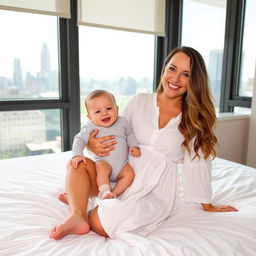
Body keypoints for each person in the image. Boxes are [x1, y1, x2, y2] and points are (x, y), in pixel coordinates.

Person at [49, 46, 238, 240]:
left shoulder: (193, 118)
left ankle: (81, 200)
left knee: (99, 223)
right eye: (172, 69)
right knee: (76, 164)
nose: (175, 78)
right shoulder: (139, 101)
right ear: (164, 69)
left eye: (186, 74)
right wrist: (90, 145)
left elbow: (198, 161)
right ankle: (76, 215)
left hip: (154, 190)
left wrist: (207, 204)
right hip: (119, 173)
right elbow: (111, 127)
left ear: (194, 80)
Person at [70, 90, 140, 199]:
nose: (104, 113)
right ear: (90, 117)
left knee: (130, 174)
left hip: (122, 165)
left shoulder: (122, 122)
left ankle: (114, 193)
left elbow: (130, 134)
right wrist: (77, 154)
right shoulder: (90, 126)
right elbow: (79, 139)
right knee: (101, 168)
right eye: (97, 112)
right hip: (104, 162)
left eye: (109, 108)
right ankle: (105, 191)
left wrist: (133, 146)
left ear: (116, 109)